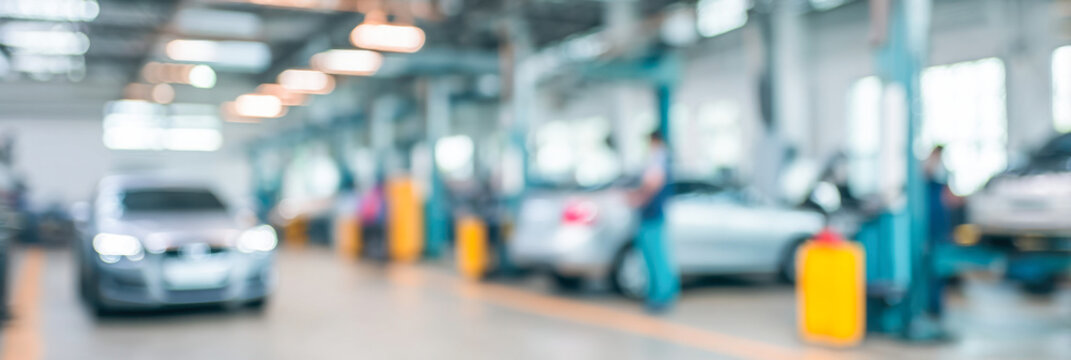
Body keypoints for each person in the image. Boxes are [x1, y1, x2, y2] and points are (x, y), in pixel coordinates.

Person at [628, 130, 679, 312]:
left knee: (657, 258)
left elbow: (652, 183)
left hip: (653, 216)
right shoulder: (660, 158)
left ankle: (661, 296)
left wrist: (638, 198)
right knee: (652, 257)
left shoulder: (659, 157)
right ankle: (657, 294)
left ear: (654, 141)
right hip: (651, 215)